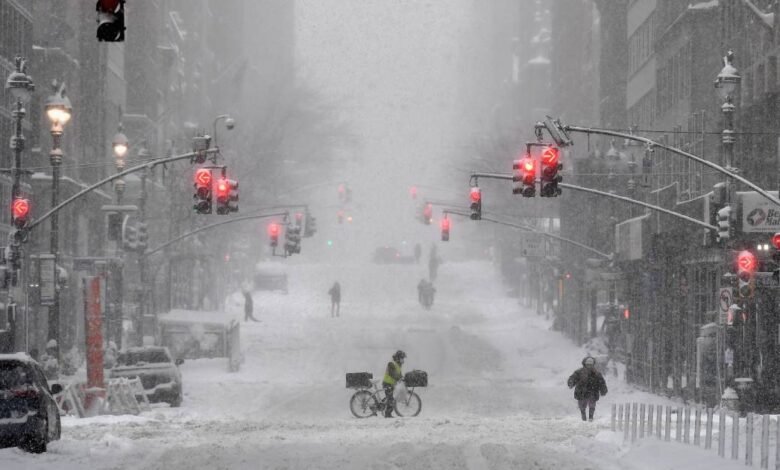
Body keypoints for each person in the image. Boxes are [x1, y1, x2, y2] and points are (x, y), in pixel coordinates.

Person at [567, 355, 608, 421]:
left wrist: (603, 389)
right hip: (581, 392)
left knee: (592, 404)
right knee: (582, 405)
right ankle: (583, 416)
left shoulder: (596, 373)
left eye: (590, 365)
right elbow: (573, 378)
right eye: (588, 365)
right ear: (585, 364)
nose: (589, 366)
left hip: (592, 392)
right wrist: (571, 382)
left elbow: (601, 382)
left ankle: (591, 417)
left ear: (593, 365)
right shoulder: (579, 372)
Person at [382, 350, 405, 418]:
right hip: (387, 383)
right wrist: (398, 378)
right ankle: (387, 414)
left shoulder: (398, 365)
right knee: (390, 399)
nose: (403, 360)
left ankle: (381, 406)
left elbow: (399, 375)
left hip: (391, 384)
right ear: (398, 358)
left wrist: (403, 379)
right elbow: (392, 374)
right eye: (402, 358)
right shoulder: (391, 363)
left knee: (389, 397)